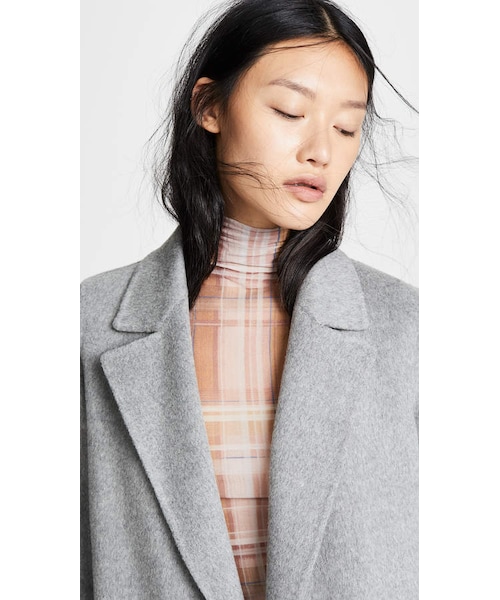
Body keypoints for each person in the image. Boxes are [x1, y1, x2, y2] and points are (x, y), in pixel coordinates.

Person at [80, 0, 418, 598]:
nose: (322, 151)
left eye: (346, 127)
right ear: (209, 106)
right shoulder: (85, 324)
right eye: (290, 111)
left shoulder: (409, 328)